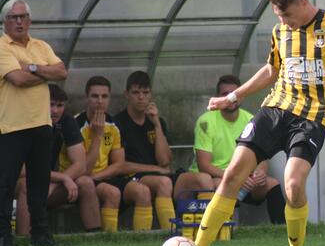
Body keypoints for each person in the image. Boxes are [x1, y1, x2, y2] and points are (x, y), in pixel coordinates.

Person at [157, 0, 325, 246]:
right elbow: (271, 69)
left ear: (303, 3)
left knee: (293, 185)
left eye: (286, 15)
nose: (283, 22)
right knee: (232, 175)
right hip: (275, 110)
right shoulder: (280, 32)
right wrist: (232, 96)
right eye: (278, 17)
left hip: (312, 117)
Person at [0, 0, 68, 246]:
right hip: (11, 127)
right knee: (5, 183)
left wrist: (31, 66)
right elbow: (17, 79)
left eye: (23, 16)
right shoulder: (2, 47)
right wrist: (43, 73)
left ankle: (40, 234)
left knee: (39, 183)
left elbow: (61, 72)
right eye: (13, 17)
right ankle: (3, 235)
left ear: (29, 20)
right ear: (5, 22)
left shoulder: (41, 46)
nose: (19, 21)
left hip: (41, 125)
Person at [115, 70, 210, 230]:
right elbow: (121, 165)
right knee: (164, 182)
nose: (141, 97)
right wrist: (157, 169)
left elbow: (165, 160)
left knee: (203, 179)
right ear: (127, 94)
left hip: (161, 175)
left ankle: (207, 230)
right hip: (132, 179)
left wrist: (157, 124)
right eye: (136, 92)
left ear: (150, 94)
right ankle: (170, 233)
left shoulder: (157, 122)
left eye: (145, 93)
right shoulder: (118, 123)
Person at [188, 74, 286, 225]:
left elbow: (262, 158)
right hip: (216, 177)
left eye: (233, 94)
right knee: (216, 184)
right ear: (218, 97)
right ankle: (222, 229)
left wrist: (260, 172)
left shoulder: (251, 120)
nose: (230, 98)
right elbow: (204, 165)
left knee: (271, 183)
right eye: (224, 94)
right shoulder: (206, 121)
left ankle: (282, 231)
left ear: (241, 96)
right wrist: (236, 177)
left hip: (244, 179)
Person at [15, 84, 101, 235]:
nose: (55, 111)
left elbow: (81, 165)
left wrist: (55, 183)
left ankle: (95, 238)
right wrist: (61, 178)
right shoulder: (25, 121)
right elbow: (21, 170)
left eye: (60, 105)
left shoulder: (66, 120)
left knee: (86, 182)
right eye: (51, 105)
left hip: (47, 184)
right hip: (16, 184)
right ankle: (23, 240)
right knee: (27, 185)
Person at [74, 75, 153, 232]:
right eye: (95, 96)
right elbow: (84, 170)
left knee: (142, 191)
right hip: (81, 180)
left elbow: (119, 164)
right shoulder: (75, 124)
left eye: (104, 96)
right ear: (86, 98)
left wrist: (99, 176)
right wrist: (97, 135)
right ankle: (110, 239)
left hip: (101, 177)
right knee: (112, 192)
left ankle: (145, 240)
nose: (100, 101)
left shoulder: (113, 124)